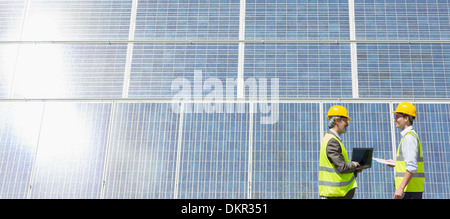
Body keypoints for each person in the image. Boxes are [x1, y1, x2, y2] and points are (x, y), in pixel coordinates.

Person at [319, 105, 362, 199]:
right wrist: (354, 165)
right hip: (335, 194)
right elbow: (342, 167)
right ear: (337, 121)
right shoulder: (332, 141)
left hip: (336, 194)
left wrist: (354, 170)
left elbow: (337, 168)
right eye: (345, 120)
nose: (347, 124)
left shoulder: (331, 139)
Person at [386, 102, 425, 199]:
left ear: (406, 118)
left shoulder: (409, 138)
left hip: (409, 192)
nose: (395, 119)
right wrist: (397, 163)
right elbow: (409, 162)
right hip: (411, 191)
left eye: (397, 117)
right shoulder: (411, 136)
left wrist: (401, 188)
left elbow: (412, 166)